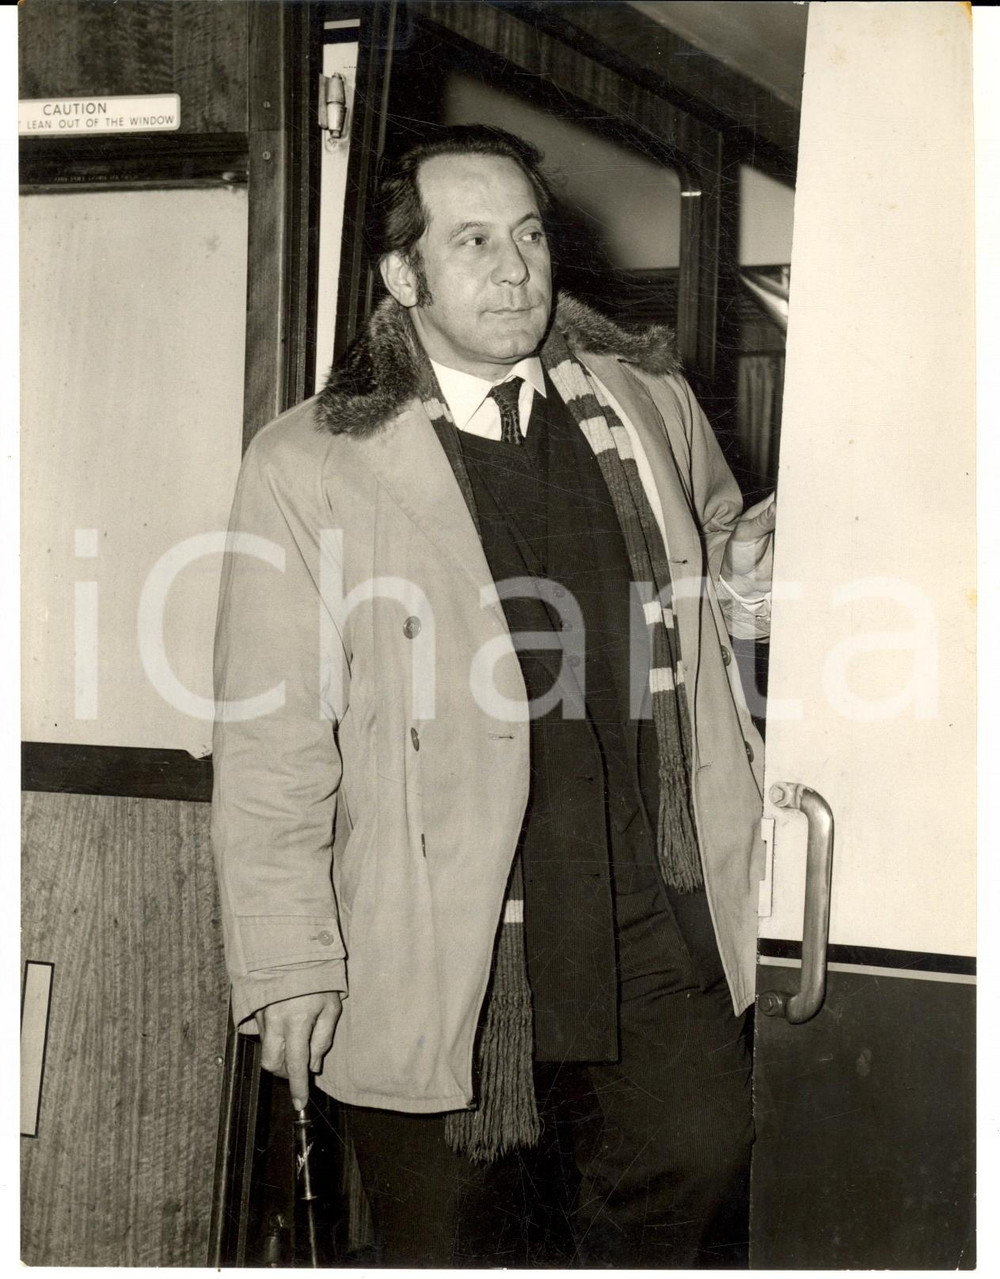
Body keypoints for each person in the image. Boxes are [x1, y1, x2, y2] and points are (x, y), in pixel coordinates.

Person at [212, 124, 775, 1267]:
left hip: (649, 904)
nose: (516, 268)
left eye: (526, 234)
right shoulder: (313, 460)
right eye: (473, 241)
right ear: (403, 275)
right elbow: (272, 737)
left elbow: (719, 553)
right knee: (456, 1243)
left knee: (697, 1165)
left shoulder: (643, 402)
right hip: (445, 930)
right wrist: (287, 961)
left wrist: (758, 569)